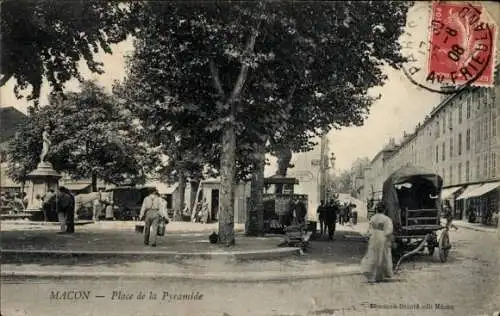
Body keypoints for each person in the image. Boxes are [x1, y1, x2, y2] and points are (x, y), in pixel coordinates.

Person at [361, 202, 394, 283]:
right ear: (384, 209)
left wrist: (369, 235)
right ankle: (379, 275)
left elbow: (370, 228)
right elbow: (389, 230)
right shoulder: (386, 219)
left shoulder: (373, 218)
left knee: (372, 255)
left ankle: (372, 276)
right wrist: (387, 235)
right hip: (382, 237)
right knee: (382, 256)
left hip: (373, 236)